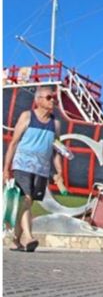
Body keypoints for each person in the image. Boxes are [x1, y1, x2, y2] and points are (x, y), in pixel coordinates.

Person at [2, 87, 65, 252]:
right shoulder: (27, 116)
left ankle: (16, 240)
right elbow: (13, 143)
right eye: (49, 97)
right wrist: (6, 169)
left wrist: (59, 172)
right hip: (22, 165)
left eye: (54, 98)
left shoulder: (56, 124)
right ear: (38, 100)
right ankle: (29, 237)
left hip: (42, 169)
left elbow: (56, 150)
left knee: (28, 204)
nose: (53, 100)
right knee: (27, 199)